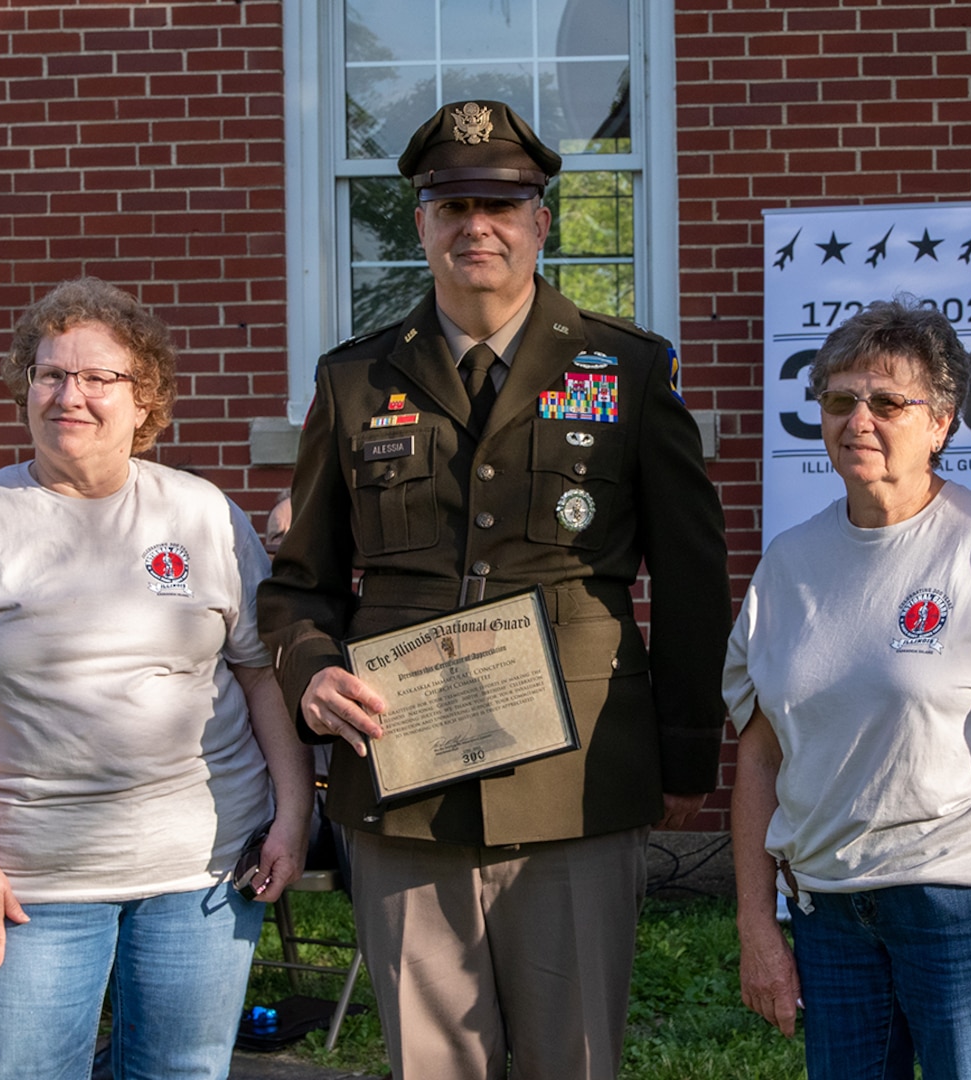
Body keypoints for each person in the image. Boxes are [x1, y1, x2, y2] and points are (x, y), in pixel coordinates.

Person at [257, 99, 731, 1080]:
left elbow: (691, 579)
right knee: (429, 1063)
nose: (479, 225)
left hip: (577, 778)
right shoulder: (353, 383)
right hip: (403, 776)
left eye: (503, 204)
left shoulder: (626, 371)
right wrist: (309, 670)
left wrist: (686, 757)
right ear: (421, 223)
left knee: (575, 1056)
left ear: (541, 221)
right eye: (453, 204)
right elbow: (300, 582)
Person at [0, 278, 313, 1080]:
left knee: (181, 1073)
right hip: (27, 883)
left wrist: (293, 813)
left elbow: (258, 675)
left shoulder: (202, 514)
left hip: (206, 872)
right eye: (49, 375)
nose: (69, 395)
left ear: (145, 401)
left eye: (98, 378)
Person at [726, 300, 971, 1080]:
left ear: (941, 422)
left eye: (888, 401)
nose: (858, 420)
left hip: (970, 901)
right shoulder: (788, 566)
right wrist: (756, 922)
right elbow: (759, 759)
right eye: (838, 400)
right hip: (831, 906)